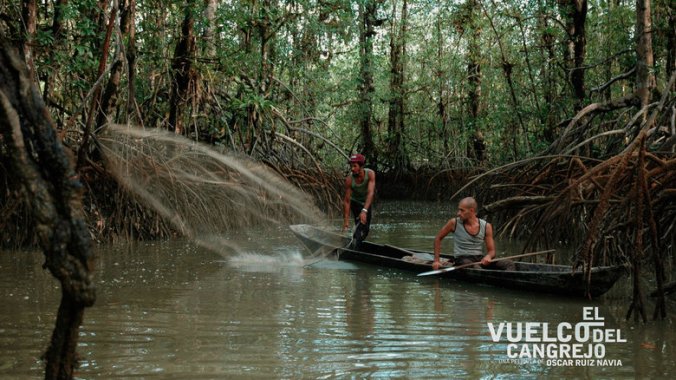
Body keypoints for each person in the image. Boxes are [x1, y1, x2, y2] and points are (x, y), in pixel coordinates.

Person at [432, 197, 514, 271]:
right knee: (475, 268)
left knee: (509, 264)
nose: (458, 213)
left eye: (462, 210)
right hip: (462, 259)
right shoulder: (454, 223)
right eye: (459, 210)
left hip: (478, 259)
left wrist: (488, 256)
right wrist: (436, 261)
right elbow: (438, 238)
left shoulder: (486, 226)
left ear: (471, 210)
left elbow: (492, 251)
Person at [342, 153, 375, 248]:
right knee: (359, 227)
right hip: (355, 203)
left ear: (361, 166)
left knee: (366, 230)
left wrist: (364, 211)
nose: (352, 168)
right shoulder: (349, 180)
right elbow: (347, 201)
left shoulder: (370, 174)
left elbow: (370, 193)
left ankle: (353, 243)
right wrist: (346, 222)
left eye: (355, 166)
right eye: (351, 166)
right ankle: (354, 247)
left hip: (366, 203)